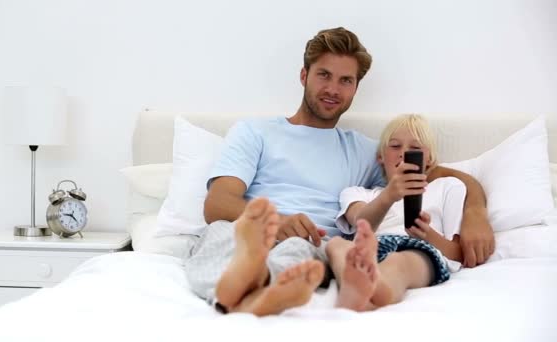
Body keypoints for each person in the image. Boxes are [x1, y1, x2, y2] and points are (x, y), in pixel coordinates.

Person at [185, 27, 494, 316]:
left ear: (356, 87)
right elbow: (217, 205)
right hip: (247, 230)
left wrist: (476, 212)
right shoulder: (254, 132)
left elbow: (432, 172)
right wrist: (276, 222)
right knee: (221, 234)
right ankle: (250, 286)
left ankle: (253, 285)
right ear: (304, 76)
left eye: (346, 81)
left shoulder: (365, 151)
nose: (333, 89)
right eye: (324, 75)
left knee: (299, 251)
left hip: (311, 243)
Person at [328, 114, 465, 311]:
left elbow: (458, 253)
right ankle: (354, 285)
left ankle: (376, 288)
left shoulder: (448, 187)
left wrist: (429, 235)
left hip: (421, 250)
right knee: (335, 244)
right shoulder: (358, 192)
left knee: (399, 261)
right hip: (371, 248)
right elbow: (361, 223)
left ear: (429, 159)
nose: (404, 153)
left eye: (415, 149)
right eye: (395, 146)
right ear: (380, 157)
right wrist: (389, 195)